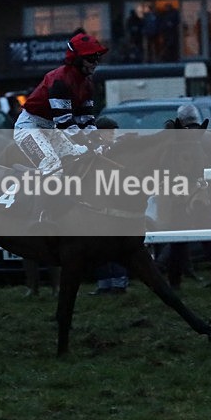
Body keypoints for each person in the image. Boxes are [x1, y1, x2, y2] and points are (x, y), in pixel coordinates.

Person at [14, 29, 107, 175]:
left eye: (97, 58)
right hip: (28, 127)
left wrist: (99, 141)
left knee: (78, 161)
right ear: (76, 59)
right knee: (53, 168)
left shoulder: (87, 84)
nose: (95, 63)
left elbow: (86, 120)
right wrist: (88, 142)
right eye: (90, 59)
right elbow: (64, 122)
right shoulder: (59, 81)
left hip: (50, 129)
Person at [164, 104, 211, 288]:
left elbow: (169, 165)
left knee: (177, 238)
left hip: (181, 193)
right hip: (206, 192)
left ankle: (174, 280)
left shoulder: (176, 138)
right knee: (208, 235)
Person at [90, 116, 130, 294]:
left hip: (115, 202)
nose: (112, 134)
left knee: (116, 243)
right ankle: (104, 283)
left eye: (113, 131)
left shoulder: (118, 151)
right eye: (108, 131)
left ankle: (119, 282)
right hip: (97, 203)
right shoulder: (91, 151)